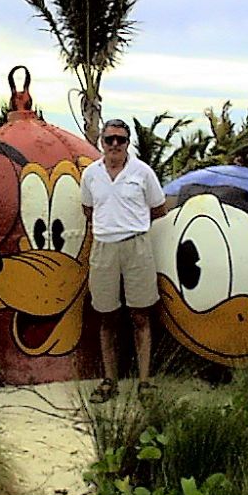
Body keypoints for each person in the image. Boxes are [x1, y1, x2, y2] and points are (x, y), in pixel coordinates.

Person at [80, 118, 166, 403]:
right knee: (106, 316)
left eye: (121, 139)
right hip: (104, 247)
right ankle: (109, 380)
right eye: (110, 139)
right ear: (101, 142)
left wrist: (132, 225)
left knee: (141, 315)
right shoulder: (91, 174)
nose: (115, 144)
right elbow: (88, 208)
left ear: (128, 143)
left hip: (136, 246)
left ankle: (145, 382)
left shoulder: (142, 172)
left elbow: (158, 208)